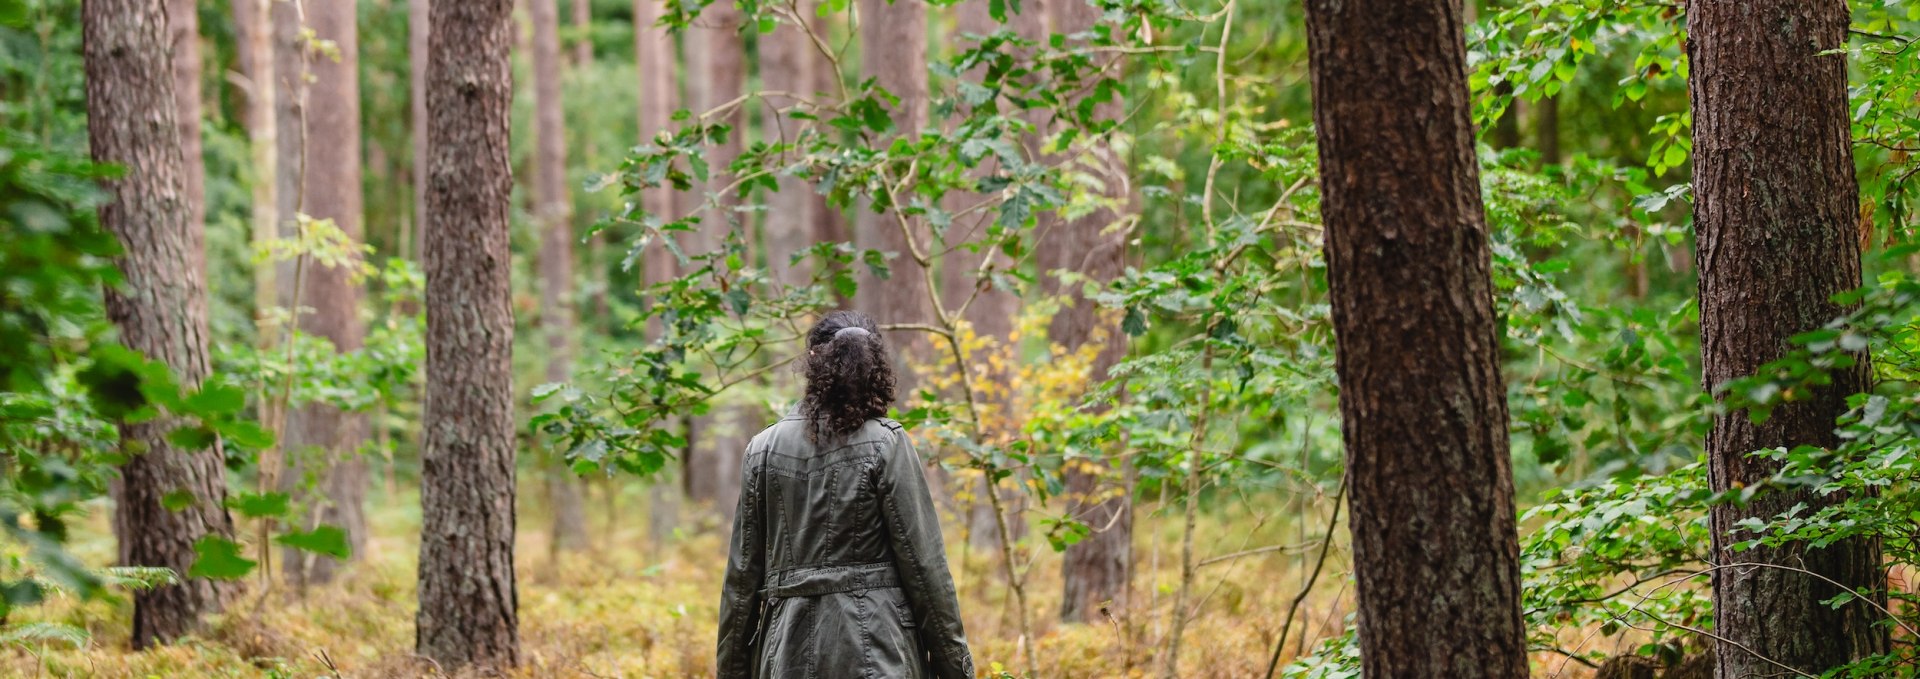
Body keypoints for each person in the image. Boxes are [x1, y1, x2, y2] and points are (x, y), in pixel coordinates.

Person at [715, 311, 974, 679]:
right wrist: (956, 669)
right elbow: (926, 571)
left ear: (812, 362)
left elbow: (740, 584)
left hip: (784, 655)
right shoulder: (887, 442)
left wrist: (731, 671)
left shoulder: (763, 449)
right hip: (881, 655)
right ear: (876, 368)